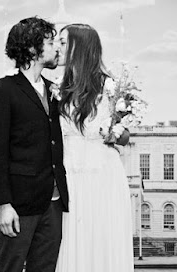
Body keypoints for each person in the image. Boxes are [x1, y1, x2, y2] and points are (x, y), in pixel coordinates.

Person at [0, 17, 69, 272]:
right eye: (51, 42)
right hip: (18, 205)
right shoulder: (2, 91)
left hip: (53, 203)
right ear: (32, 48)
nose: (56, 48)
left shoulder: (55, 91)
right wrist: (3, 205)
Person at [55, 24, 135, 272]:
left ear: (80, 47)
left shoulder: (110, 88)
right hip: (69, 178)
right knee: (70, 241)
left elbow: (125, 134)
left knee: (102, 240)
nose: (57, 47)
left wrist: (116, 134)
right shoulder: (58, 88)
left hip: (103, 177)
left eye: (64, 42)